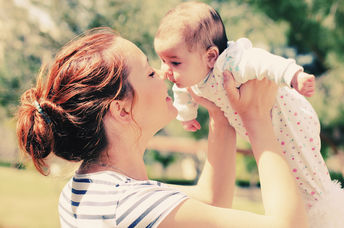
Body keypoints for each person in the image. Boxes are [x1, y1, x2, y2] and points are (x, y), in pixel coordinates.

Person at [16, 27, 308, 227]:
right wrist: (256, 118)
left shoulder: (87, 191)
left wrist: (220, 113)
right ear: (120, 109)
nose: (165, 73)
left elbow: (211, 199)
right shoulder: (129, 204)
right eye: (149, 72)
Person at [154, 2, 344, 227]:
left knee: (307, 174)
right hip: (262, 123)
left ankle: (329, 217)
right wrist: (186, 116)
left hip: (288, 119)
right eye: (164, 61)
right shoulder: (190, 74)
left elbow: (263, 62)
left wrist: (293, 75)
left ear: (211, 56)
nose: (166, 70)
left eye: (174, 62)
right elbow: (182, 92)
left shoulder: (231, 63)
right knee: (287, 178)